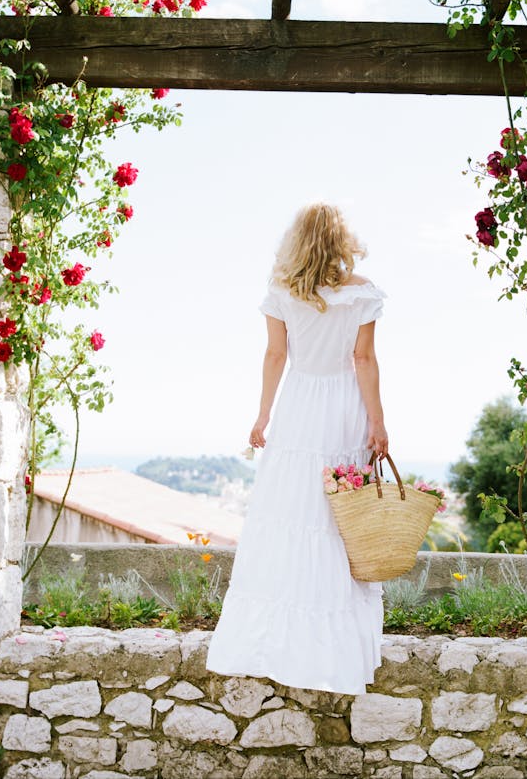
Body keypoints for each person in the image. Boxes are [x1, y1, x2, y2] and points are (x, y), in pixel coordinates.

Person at [205, 202, 388, 695]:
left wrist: (263, 415)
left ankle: (282, 636)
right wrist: (378, 421)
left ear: (297, 240)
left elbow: (275, 356)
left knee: (293, 510)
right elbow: (364, 358)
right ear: (341, 240)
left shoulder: (282, 291)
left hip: (300, 403)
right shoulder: (362, 294)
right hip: (344, 403)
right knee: (336, 516)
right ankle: (333, 640)